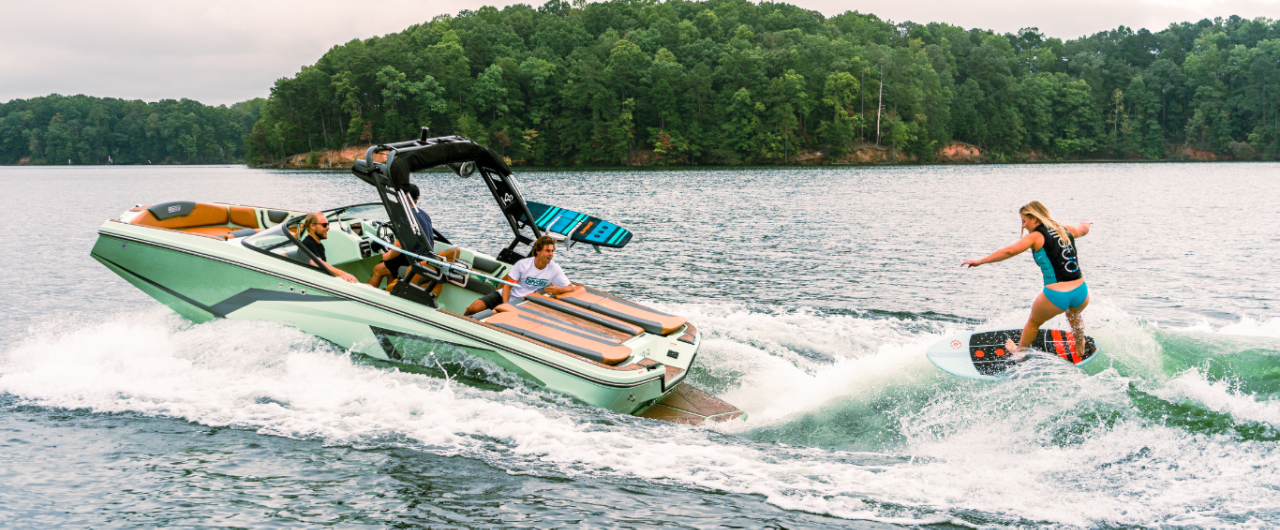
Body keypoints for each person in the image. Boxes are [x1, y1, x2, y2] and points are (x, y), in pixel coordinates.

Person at [961, 201, 1093, 356]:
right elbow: (1083, 230)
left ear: (1035, 219)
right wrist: (1086, 224)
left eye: (1024, 221)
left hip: (1057, 295)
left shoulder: (1036, 237)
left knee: (1034, 322)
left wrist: (981, 261)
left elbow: (1009, 251)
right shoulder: (1065, 230)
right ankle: (1080, 346)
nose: (1023, 226)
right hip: (1081, 292)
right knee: (1074, 315)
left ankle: (1019, 351)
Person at [463, 235, 582, 316]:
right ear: (538, 251)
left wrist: (558, 289)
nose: (551, 254)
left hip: (522, 303)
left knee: (493, 315)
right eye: (547, 251)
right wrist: (506, 304)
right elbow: (507, 286)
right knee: (473, 309)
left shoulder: (554, 269)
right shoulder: (523, 265)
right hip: (504, 296)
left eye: (552, 251)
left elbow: (570, 287)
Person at [367, 182, 434, 290]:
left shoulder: (406, 217)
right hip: (425, 258)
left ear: (405, 197)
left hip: (413, 260)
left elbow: (399, 245)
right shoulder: (423, 214)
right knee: (390, 267)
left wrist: (388, 255)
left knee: (378, 269)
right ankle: (389, 292)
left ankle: (366, 295)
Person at [299, 212, 360, 284]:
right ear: (312, 226)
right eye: (324, 225)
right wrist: (342, 274)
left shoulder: (319, 245)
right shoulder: (308, 244)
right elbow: (317, 263)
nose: (328, 228)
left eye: (328, 224)